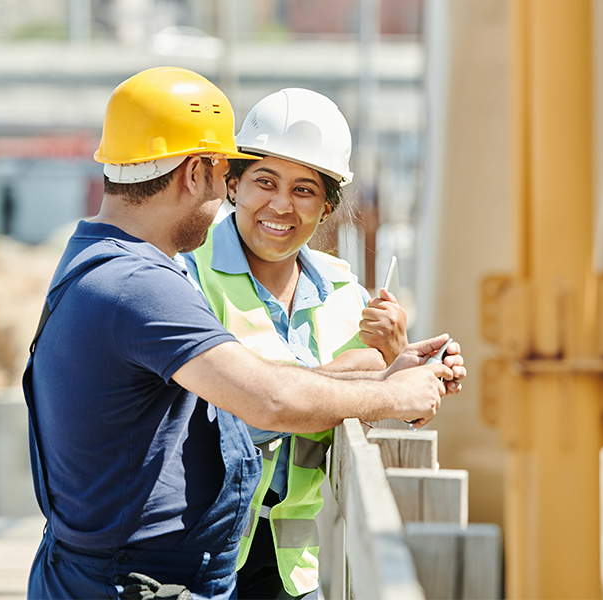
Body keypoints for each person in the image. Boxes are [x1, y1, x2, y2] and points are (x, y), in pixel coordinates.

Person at [24, 67, 464, 600]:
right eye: (231, 176)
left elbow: (250, 392)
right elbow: (266, 399)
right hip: (133, 579)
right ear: (198, 173)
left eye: (304, 190)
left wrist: (383, 372)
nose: (229, 199)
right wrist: (388, 391)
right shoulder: (145, 284)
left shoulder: (108, 264)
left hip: (155, 572)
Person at [182, 88, 459, 600]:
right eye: (265, 181)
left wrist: (399, 366)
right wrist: (366, 375)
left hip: (292, 566)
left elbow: (364, 410)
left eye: (305, 189)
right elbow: (240, 405)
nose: (281, 205)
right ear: (234, 184)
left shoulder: (343, 291)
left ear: (327, 205)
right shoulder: (189, 276)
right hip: (197, 554)